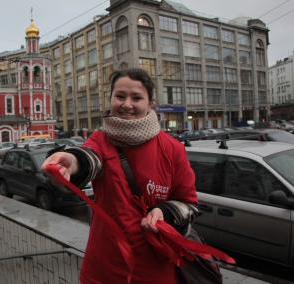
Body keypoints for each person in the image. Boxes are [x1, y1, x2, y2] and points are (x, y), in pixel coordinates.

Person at [42, 68, 198, 283]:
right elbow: (89, 159)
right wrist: (71, 162)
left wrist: (166, 212)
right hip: (104, 269)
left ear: (150, 103)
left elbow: (189, 203)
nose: (127, 104)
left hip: (156, 269)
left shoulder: (172, 149)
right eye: (120, 96)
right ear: (111, 99)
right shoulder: (100, 139)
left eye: (136, 97)